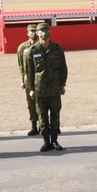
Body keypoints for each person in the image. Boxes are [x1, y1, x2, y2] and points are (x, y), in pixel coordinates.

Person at [27, 22, 68, 152]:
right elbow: (30, 72)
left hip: (55, 89)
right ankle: (46, 142)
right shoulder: (32, 51)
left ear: (49, 32)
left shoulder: (57, 48)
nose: (44, 32)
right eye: (41, 30)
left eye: (46, 30)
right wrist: (31, 89)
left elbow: (63, 68)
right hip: (40, 90)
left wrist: (62, 84)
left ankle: (55, 140)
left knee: (55, 115)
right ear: (37, 33)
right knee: (42, 117)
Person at [17, 23, 40, 136]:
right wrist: (22, 80)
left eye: (35, 31)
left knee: (42, 103)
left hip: (41, 79)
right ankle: (34, 126)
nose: (33, 33)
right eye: (31, 31)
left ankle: (43, 125)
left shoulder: (42, 45)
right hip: (28, 80)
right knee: (31, 104)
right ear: (27, 33)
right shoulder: (23, 47)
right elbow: (21, 65)